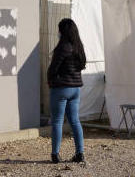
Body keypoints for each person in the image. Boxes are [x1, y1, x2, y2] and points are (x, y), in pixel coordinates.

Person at [47, 18, 87, 163]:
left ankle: (55, 154)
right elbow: (81, 66)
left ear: (62, 31)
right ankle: (80, 153)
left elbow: (53, 68)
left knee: (57, 122)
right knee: (75, 121)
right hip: (76, 89)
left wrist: (51, 81)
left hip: (61, 89)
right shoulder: (78, 47)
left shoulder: (62, 47)